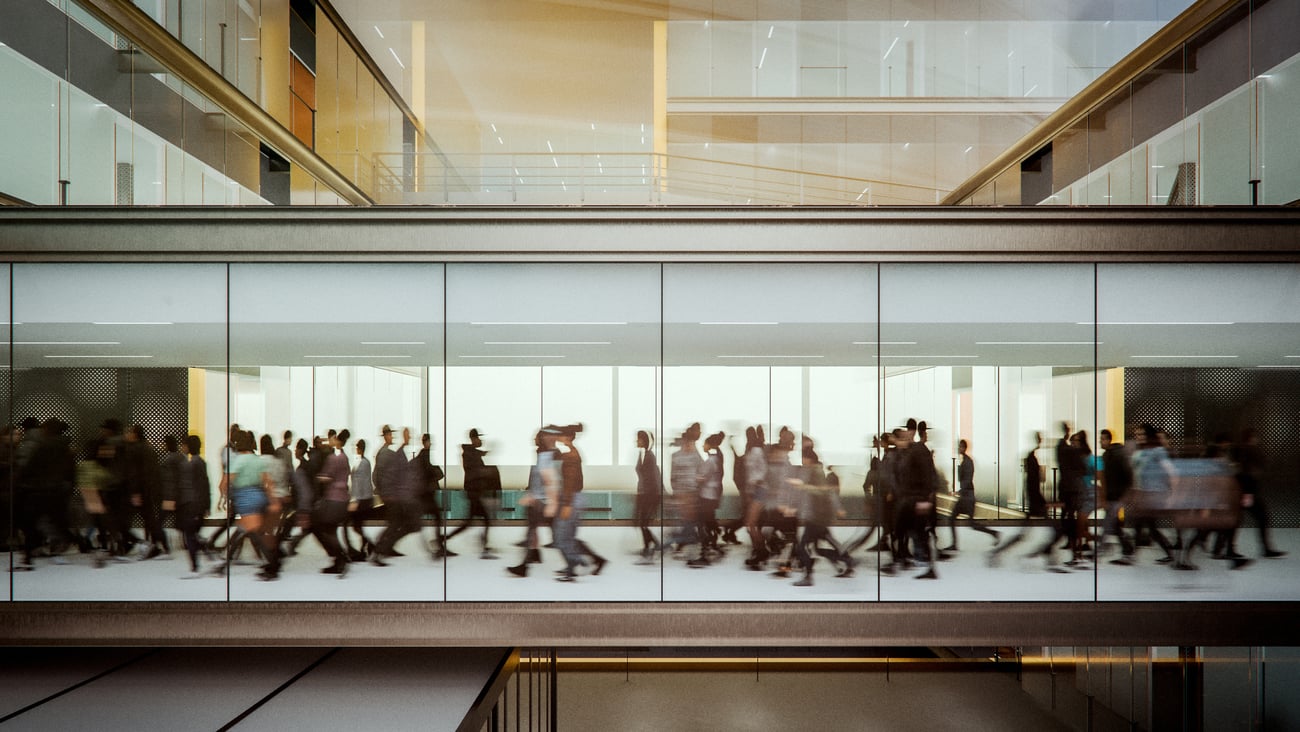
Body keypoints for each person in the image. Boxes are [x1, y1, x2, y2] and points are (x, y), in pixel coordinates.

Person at [789, 443, 852, 587]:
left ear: (808, 459)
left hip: (816, 517)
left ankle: (808, 577)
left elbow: (824, 491)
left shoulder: (815, 472)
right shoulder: (813, 471)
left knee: (802, 547)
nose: (802, 461)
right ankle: (848, 561)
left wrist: (802, 486)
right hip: (818, 516)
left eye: (803, 458)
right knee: (819, 547)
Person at [553, 424, 606, 581]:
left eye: (562, 435)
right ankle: (577, 563)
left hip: (572, 500)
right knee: (567, 537)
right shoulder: (572, 453)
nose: (559, 437)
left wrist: (567, 505)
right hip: (575, 499)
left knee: (562, 537)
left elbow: (569, 482)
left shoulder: (570, 456)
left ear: (568, 437)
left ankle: (573, 568)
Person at [507, 427, 561, 577]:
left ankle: (589, 559)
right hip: (539, 499)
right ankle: (530, 558)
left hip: (543, 500)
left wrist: (544, 498)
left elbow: (552, 480)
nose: (535, 439)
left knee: (560, 536)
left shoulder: (554, 454)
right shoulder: (542, 453)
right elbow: (537, 476)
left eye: (538, 436)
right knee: (533, 530)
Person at [446, 428, 500, 559]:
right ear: (473, 439)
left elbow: (479, 455)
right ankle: (484, 549)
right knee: (484, 521)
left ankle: (443, 539)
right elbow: (476, 471)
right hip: (474, 493)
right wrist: (489, 472)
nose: (481, 440)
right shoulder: (469, 454)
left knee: (469, 522)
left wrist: (485, 453)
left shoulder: (471, 452)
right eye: (478, 438)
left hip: (474, 492)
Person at [943, 439, 999, 551]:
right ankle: (993, 533)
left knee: (954, 519)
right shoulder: (965, 461)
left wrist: (959, 491)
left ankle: (955, 544)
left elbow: (967, 480)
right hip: (967, 495)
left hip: (966, 496)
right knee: (970, 523)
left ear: (964, 448)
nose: (958, 448)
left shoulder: (967, 462)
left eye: (960, 447)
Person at [311, 429, 352, 576]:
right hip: (343, 498)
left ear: (337, 441)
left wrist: (318, 477)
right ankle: (340, 559)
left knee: (323, 528)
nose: (330, 440)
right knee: (331, 529)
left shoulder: (332, 458)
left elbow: (326, 477)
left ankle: (340, 559)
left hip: (333, 498)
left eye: (332, 439)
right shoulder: (345, 457)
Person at [177, 435, 211, 579]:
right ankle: (209, 556)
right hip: (194, 504)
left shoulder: (193, 464)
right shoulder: (197, 462)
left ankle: (196, 567)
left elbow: (202, 485)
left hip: (192, 504)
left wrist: (204, 505)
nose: (182, 447)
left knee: (190, 535)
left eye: (184, 445)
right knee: (192, 535)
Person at [633, 430, 662, 563]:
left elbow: (652, 478)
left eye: (638, 439)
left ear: (643, 440)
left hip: (648, 494)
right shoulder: (643, 454)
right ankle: (652, 545)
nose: (636, 441)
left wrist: (652, 496)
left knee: (643, 523)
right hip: (644, 493)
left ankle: (650, 546)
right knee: (642, 523)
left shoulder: (649, 456)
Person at [347, 438, 376, 560]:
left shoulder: (362, 463)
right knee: (357, 525)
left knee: (356, 525)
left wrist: (354, 500)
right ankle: (367, 544)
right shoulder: (364, 462)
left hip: (361, 499)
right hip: (365, 498)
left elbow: (359, 484)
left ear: (359, 448)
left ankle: (368, 544)